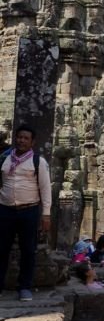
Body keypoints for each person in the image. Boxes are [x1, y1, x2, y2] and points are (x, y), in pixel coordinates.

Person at [0, 125, 52, 301]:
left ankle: (25, 287)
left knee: (28, 250)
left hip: (29, 210)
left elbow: (45, 189)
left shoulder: (38, 162)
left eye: (26, 138)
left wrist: (46, 214)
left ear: (32, 142)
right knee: (1, 249)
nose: (22, 140)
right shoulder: (4, 159)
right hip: (5, 209)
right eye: (19, 137)